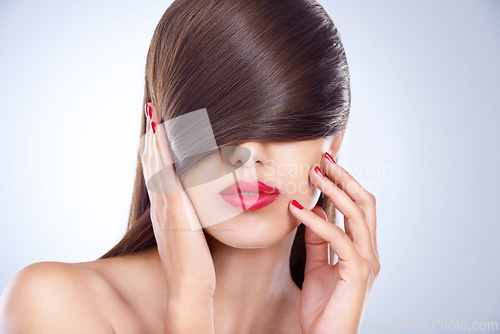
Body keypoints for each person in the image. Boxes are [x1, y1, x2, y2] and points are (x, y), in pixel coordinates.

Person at [0, 0, 380, 333]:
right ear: (161, 135)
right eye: (217, 123)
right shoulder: (55, 304)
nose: (247, 153)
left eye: (281, 120)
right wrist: (190, 298)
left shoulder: (332, 325)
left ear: (336, 139)